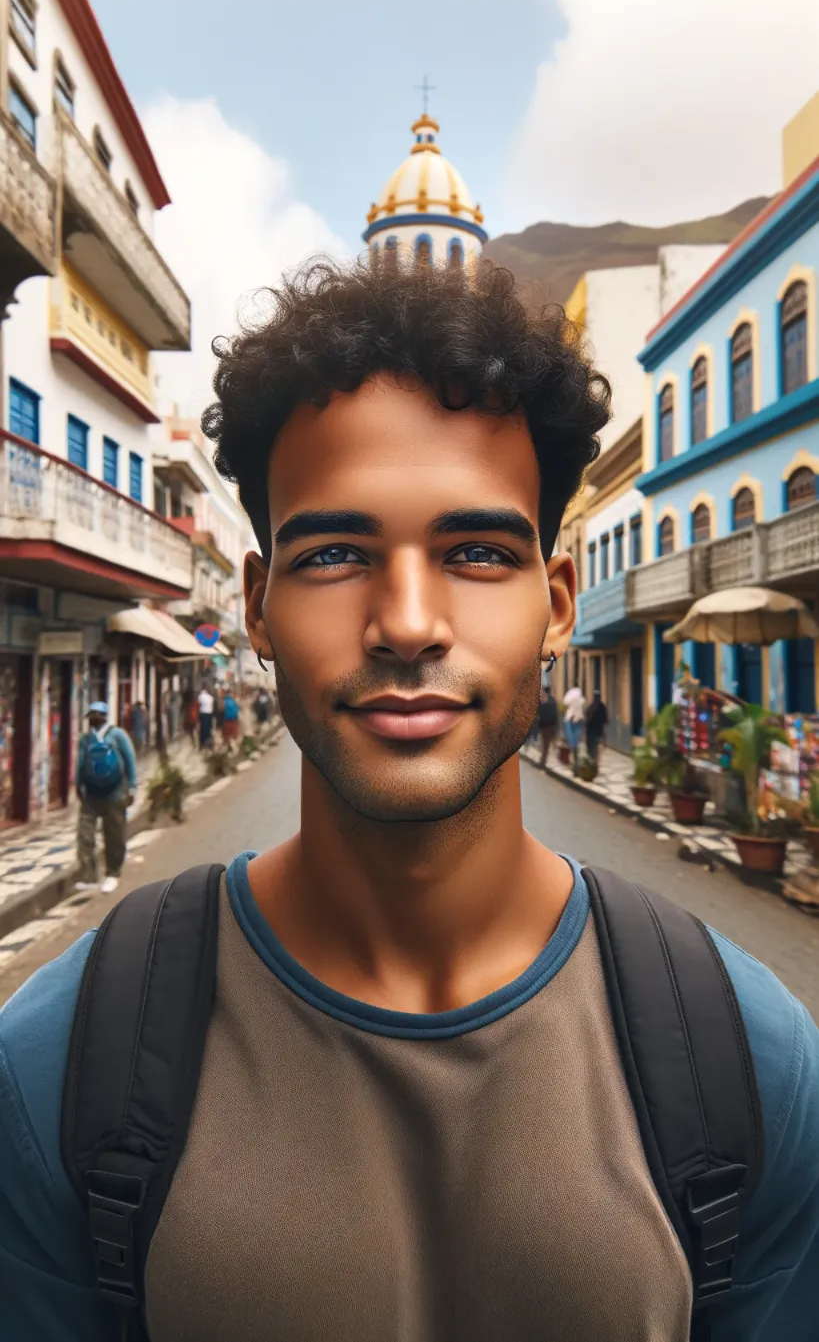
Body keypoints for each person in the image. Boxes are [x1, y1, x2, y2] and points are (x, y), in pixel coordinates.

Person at [0, 260, 816, 1341]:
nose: (409, 621)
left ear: (558, 600)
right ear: (257, 604)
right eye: (336, 553)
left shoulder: (753, 1065)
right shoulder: (57, 1067)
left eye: (477, 551)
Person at [73, 701, 137, 897]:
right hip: (91, 795)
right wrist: (79, 786)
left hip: (115, 792)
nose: (94, 718)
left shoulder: (118, 735)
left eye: (96, 714)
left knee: (114, 835)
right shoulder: (85, 739)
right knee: (85, 836)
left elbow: (130, 761)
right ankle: (89, 875)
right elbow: (80, 764)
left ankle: (113, 872)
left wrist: (132, 787)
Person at [562, 681, 586, 758]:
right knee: (577, 733)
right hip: (578, 716)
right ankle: (575, 747)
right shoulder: (580, 696)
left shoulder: (571, 694)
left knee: (570, 733)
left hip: (570, 716)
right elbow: (583, 702)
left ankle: (572, 747)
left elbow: (565, 702)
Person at [585, 689, 608, 763]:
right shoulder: (601, 707)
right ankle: (594, 760)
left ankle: (594, 760)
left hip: (594, 731)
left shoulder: (592, 706)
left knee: (594, 746)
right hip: (595, 730)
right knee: (594, 746)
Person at [537, 683, 558, 766]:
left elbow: (540, 713)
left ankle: (543, 760)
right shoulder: (553, 700)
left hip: (546, 726)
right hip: (551, 725)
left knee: (546, 744)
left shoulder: (544, 702)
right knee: (547, 744)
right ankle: (545, 760)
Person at [197, 682, 214, 749]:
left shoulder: (200, 696)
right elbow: (212, 706)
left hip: (203, 713)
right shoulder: (210, 697)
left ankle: (202, 743)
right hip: (209, 713)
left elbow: (198, 705)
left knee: (202, 729)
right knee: (209, 728)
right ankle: (209, 743)